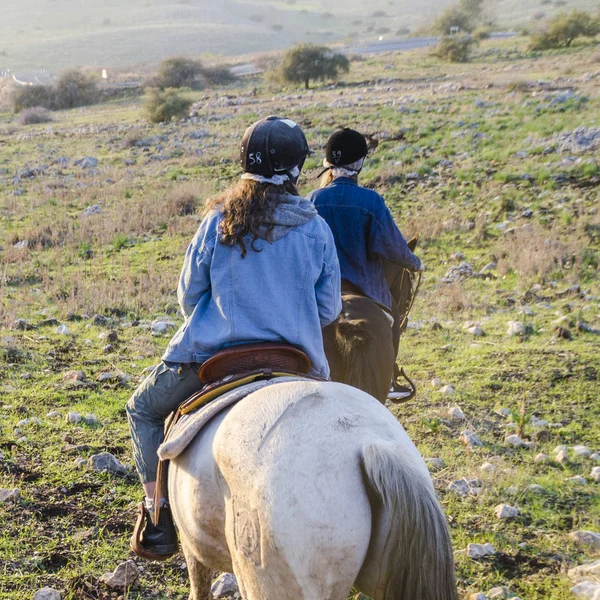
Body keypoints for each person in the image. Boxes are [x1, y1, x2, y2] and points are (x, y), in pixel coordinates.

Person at [127, 116, 342, 561]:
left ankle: (158, 515)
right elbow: (328, 311)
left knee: (143, 409)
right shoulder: (316, 228)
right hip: (295, 360)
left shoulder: (217, 221)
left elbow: (188, 295)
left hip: (215, 357)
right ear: (298, 169)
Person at [308, 127, 422, 399]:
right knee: (391, 321)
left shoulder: (313, 199)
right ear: (360, 163)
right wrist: (416, 263)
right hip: (367, 292)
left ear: (328, 165)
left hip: (321, 296)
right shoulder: (371, 201)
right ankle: (391, 378)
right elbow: (395, 248)